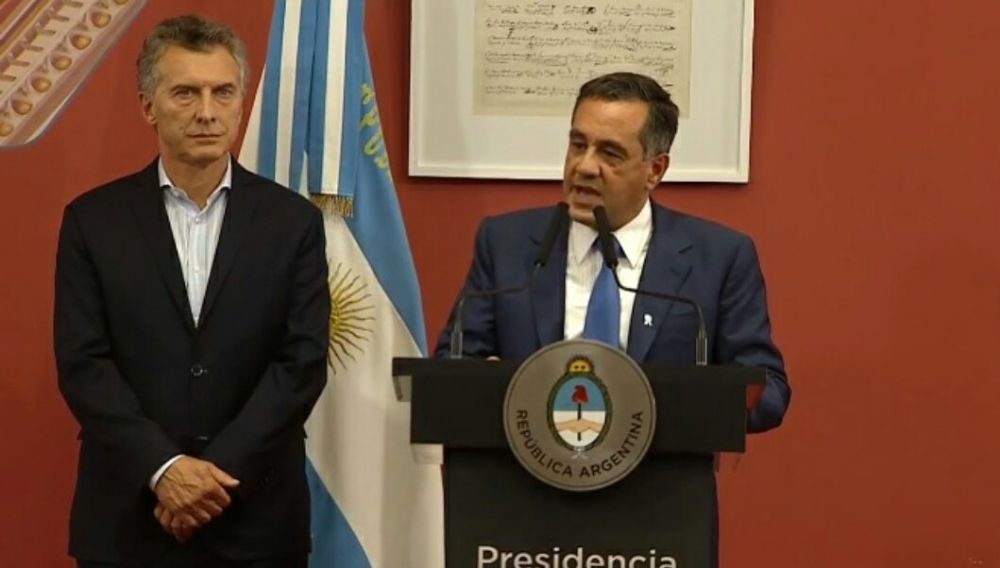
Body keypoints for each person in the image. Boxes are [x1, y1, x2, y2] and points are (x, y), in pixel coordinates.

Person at [54, 15, 329, 568]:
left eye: (222, 92)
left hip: (255, 520)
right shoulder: (93, 222)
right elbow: (85, 365)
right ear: (148, 106)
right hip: (129, 522)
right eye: (186, 93)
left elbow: (300, 363)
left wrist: (211, 479)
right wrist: (165, 470)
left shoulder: (293, 222)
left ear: (240, 102)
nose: (207, 112)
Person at [434, 71, 790, 433]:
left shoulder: (720, 258)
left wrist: (693, 401)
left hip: (661, 466)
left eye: (610, 153)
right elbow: (452, 362)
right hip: (523, 461)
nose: (585, 166)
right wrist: (482, 384)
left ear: (655, 170)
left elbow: (769, 392)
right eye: (578, 145)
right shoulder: (505, 243)